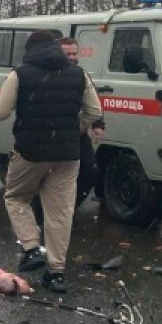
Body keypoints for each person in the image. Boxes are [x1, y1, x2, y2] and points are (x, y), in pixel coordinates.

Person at [0, 30, 101, 293]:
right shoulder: (79, 74)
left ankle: (31, 248)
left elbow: (0, 112)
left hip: (30, 152)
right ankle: (56, 273)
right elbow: (95, 111)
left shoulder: (20, 73)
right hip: (67, 154)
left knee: (16, 197)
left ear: (29, 50)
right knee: (60, 212)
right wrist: (73, 129)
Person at [59, 37, 105, 206]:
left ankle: (70, 208)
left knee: (90, 171)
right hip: (54, 133)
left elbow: (93, 103)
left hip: (77, 131)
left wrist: (98, 124)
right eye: (67, 54)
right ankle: (43, 213)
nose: (71, 57)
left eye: (74, 53)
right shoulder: (50, 73)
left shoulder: (81, 74)